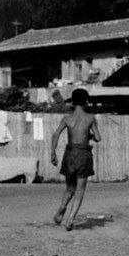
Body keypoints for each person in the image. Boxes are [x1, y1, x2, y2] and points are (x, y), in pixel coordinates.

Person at [49, 88, 100, 230]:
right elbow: (98, 137)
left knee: (70, 187)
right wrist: (89, 136)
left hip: (70, 154)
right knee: (80, 190)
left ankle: (62, 207)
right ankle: (70, 220)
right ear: (86, 102)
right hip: (83, 154)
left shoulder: (67, 119)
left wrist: (53, 153)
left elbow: (55, 134)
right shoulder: (90, 118)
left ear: (73, 101)